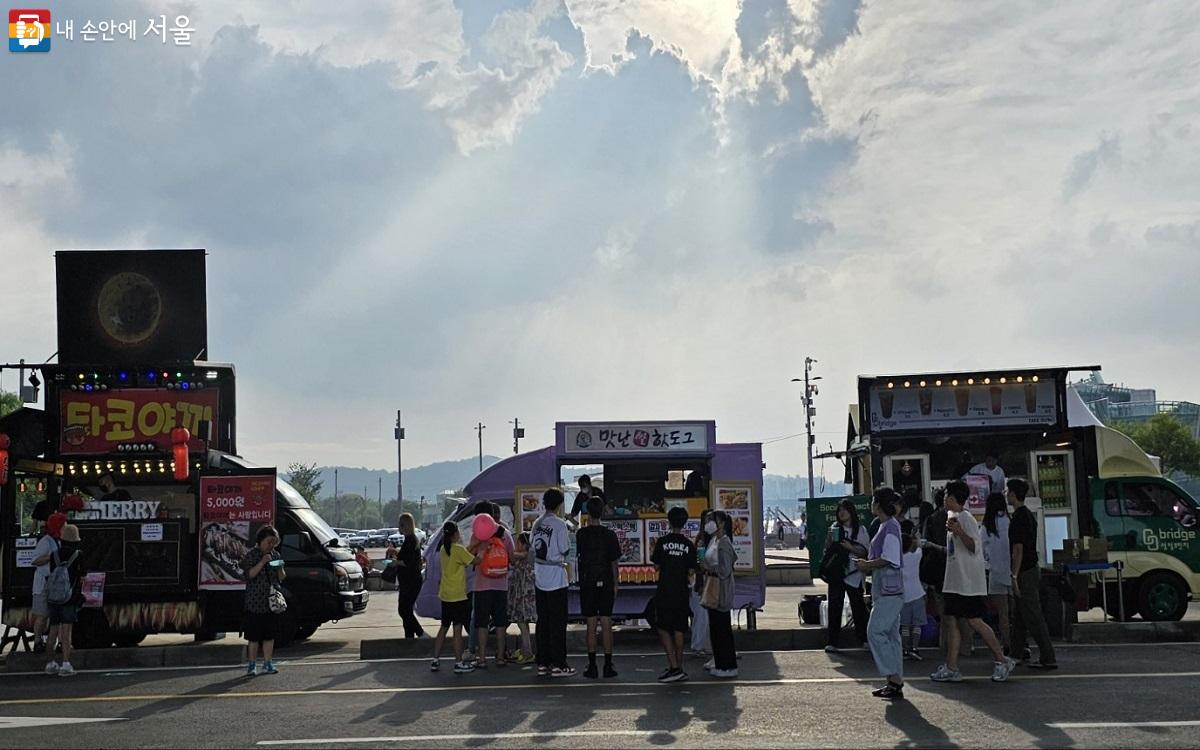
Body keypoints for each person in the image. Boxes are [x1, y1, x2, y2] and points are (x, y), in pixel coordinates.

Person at [929, 481, 1016, 683]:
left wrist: (959, 532)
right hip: (954, 580)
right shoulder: (952, 517)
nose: (943, 499)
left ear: (952, 498)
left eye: (946, 495)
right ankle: (951, 667)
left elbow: (973, 547)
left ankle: (1002, 659)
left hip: (968, 582)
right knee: (951, 621)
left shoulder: (966, 518)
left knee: (975, 621)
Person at [858, 488, 906, 699]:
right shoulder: (887, 526)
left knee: (875, 631)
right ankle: (894, 681)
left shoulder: (890, 528)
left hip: (889, 589)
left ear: (878, 505)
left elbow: (889, 558)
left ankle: (893, 677)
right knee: (891, 635)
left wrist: (866, 565)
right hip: (887, 588)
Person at [1008, 478, 1057, 670]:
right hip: (1031, 568)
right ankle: (1015, 653)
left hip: (1024, 572)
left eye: (1008, 491)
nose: (1007, 494)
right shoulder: (1028, 515)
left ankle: (1048, 656)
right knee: (1020, 615)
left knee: (1033, 615)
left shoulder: (1019, 518)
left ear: (1013, 494)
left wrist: (1014, 576)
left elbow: (1018, 550)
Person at [920, 489, 972, 658]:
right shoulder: (962, 517)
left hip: (939, 571)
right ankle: (966, 645)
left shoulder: (933, 519)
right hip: (959, 570)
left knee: (945, 613)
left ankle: (946, 645)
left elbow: (927, 546)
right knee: (963, 611)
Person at [650, 506, 697, 683]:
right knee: (679, 628)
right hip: (681, 590)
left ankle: (674, 667)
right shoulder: (688, 544)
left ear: (669, 521)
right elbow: (692, 569)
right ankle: (679, 666)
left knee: (662, 627)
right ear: (685, 522)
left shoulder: (662, 543)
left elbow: (656, 566)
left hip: (665, 589)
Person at [576, 497, 621, 678]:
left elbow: (576, 558)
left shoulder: (581, 534)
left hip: (587, 582)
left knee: (591, 623)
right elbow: (614, 563)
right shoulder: (609, 535)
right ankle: (608, 665)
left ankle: (592, 665)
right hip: (606, 581)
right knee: (606, 622)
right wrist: (616, 583)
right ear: (602, 512)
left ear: (587, 513)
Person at [533, 488, 574, 677]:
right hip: (556, 578)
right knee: (558, 622)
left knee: (543, 622)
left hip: (540, 576)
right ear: (559, 505)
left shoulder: (537, 523)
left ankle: (543, 662)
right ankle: (559, 664)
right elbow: (564, 549)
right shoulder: (559, 525)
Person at [468, 502, 514, 668]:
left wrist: (479, 545)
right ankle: (500, 657)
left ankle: (481, 658)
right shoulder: (504, 533)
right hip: (501, 585)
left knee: (482, 623)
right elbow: (512, 557)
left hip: (482, 585)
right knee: (500, 622)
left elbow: (468, 556)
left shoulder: (477, 535)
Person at [432, 521, 480, 674]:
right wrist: (483, 548)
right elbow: (475, 560)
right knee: (457, 630)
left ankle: (435, 660)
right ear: (455, 534)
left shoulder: (443, 549)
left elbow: (463, 554)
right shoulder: (458, 550)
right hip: (458, 596)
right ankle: (458, 663)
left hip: (445, 595)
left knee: (443, 628)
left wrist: (472, 546)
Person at [824, 500, 870, 652]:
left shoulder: (860, 530)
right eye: (839, 510)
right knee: (834, 607)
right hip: (837, 573)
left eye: (845, 510)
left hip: (854, 573)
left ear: (851, 512)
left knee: (858, 607)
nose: (842, 513)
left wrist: (851, 548)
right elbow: (828, 549)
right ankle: (832, 641)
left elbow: (865, 552)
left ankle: (863, 638)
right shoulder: (834, 528)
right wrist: (830, 540)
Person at [241, 525, 285, 676]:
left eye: (274, 542)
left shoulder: (276, 555)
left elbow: (281, 578)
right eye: (269, 541)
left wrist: (280, 567)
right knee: (253, 637)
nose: (271, 545)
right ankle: (252, 665)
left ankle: (268, 663)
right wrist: (262, 562)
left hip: (271, 602)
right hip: (254, 602)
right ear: (260, 541)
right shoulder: (252, 555)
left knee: (269, 636)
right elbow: (249, 575)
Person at [701, 510, 738, 678]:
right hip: (713, 588)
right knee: (716, 628)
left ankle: (728, 666)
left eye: (713, 520)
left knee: (722, 629)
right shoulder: (714, 540)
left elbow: (724, 570)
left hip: (721, 590)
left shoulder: (724, 543)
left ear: (722, 523)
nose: (709, 524)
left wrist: (709, 569)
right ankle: (719, 662)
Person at [44, 524, 83, 677]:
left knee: (52, 631)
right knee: (66, 632)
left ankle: (50, 664)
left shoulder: (54, 555)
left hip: (54, 597)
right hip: (69, 597)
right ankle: (65, 664)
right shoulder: (78, 555)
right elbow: (82, 574)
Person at [982, 492, 1013, 653]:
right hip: (1013, 572)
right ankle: (1020, 643)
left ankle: (1006, 644)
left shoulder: (987, 525)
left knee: (1003, 614)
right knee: (1016, 613)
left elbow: (982, 550)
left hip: (996, 573)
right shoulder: (1010, 521)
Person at [28, 509, 62, 654]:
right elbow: (34, 560)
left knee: (57, 615)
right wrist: (52, 556)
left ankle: (58, 642)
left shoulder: (59, 541)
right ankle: (37, 641)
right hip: (43, 582)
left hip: (55, 582)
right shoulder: (45, 541)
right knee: (42, 615)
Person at [394, 513, 426, 639]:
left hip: (411, 581)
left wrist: (396, 562)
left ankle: (419, 632)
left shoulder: (411, 540)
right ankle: (409, 636)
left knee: (404, 610)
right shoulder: (410, 540)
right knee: (405, 609)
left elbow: (408, 562)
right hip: (408, 581)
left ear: (404, 526)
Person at [506, 532, 537, 665]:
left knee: (522, 624)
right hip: (522, 594)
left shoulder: (528, 554)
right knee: (523, 624)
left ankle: (527, 653)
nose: (516, 546)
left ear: (524, 544)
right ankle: (526, 649)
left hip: (524, 596)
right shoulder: (527, 556)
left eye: (518, 543)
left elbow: (513, 555)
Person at [900, 520, 927, 661]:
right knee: (917, 624)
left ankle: (905, 649)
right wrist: (916, 535)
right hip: (917, 594)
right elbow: (920, 545)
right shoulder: (916, 556)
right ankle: (915, 648)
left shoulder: (897, 560)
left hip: (903, 597)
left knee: (904, 625)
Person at [690, 509, 713, 658]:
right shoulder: (702, 540)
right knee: (702, 616)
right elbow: (700, 564)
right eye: (709, 519)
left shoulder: (710, 539)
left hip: (706, 582)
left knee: (704, 617)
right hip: (702, 582)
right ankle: (698, 645)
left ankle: (703, 645)